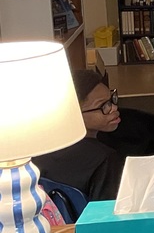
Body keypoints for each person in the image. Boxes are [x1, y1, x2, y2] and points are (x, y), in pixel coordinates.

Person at [34, 70, 125, 201]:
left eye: (112, 99)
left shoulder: (41, 147)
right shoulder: (105, 159)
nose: (114, 108)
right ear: (74, 113)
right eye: (104, 106)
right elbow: (106, 212)